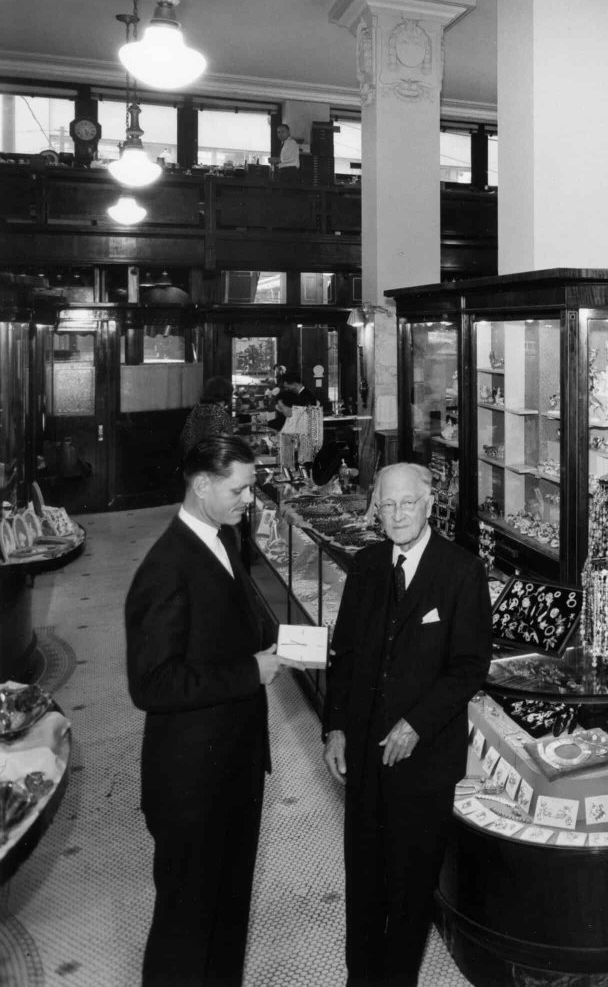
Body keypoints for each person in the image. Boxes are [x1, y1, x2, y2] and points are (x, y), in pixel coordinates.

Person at [323, 462, 492, 987]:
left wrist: (416, 724)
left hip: (424, 763)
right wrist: (335, 727)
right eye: (387, 505)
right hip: (364, 755)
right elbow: (345, 654)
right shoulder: (367, 565)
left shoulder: (461, 572)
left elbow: (469, 666)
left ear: (429, 505)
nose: (397, 515)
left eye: (407, 504)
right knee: (363, 877)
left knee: (411, 885)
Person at [125, 434, 285, 987]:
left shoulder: (223, 537)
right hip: (192, 784)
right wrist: (249, 672)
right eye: (239, 489)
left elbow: (229, 626)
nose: (249, 499)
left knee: (229, 907)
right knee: (186, 924)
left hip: (234, 766)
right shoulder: (165, 567)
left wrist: (281, 644)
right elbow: (151, 684)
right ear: (201, 485)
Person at [179, 376, 237, 458]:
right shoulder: (221, 414)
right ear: (227, 394)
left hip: (192, 460)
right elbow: (229, 445)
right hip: (212, 462)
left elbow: (185, 439)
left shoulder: (196, 410)